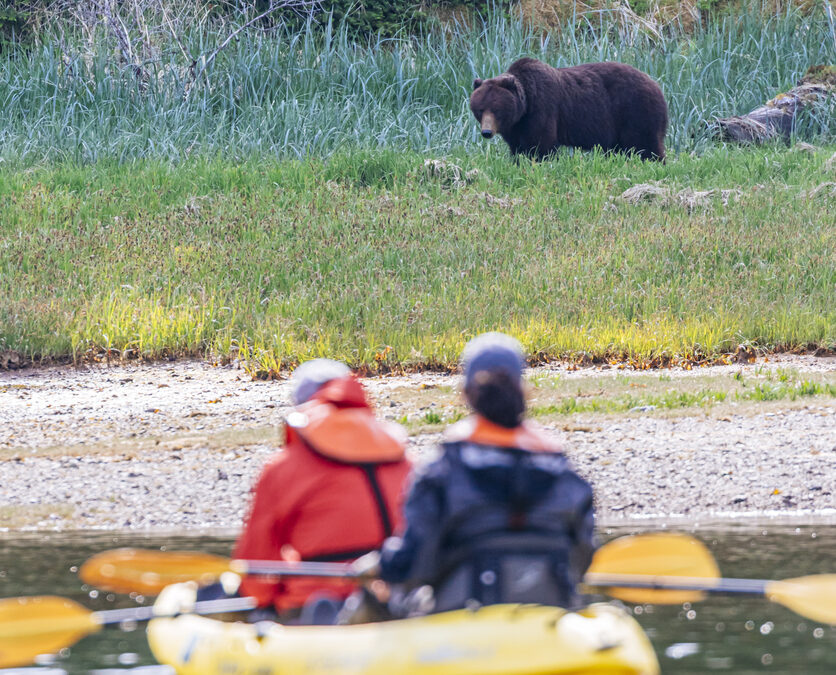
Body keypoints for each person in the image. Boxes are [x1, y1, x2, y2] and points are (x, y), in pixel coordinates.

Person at [377, 333, 595, 615]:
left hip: (464, 615)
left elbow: (413, 563)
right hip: (547, 615)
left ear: (466, 393)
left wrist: (383, 563)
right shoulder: (562, 468)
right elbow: (582, 556)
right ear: (523, 389)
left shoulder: (443, 468)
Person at [233, 358, 411, 622]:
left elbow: (257, 563)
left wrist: (262, 606)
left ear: (301, 407)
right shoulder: (407, 460)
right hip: (401, 602)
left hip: (316, 609)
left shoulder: (283, 469)